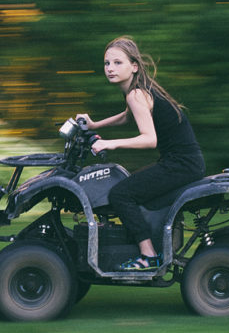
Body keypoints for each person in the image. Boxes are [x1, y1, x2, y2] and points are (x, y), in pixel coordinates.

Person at [76, 36, 205, 271]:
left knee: (121, 194)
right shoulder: (137, 92)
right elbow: (127, 116)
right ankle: (155, 244)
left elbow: (149, 139)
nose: (110, 69)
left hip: (180, 164)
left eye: (117, 63)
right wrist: (95, 126)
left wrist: (110, 144)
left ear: (134, 66)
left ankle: (148, 255)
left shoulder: (136, 94)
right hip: (186, 162)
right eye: (106, 63)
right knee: (134, 188)